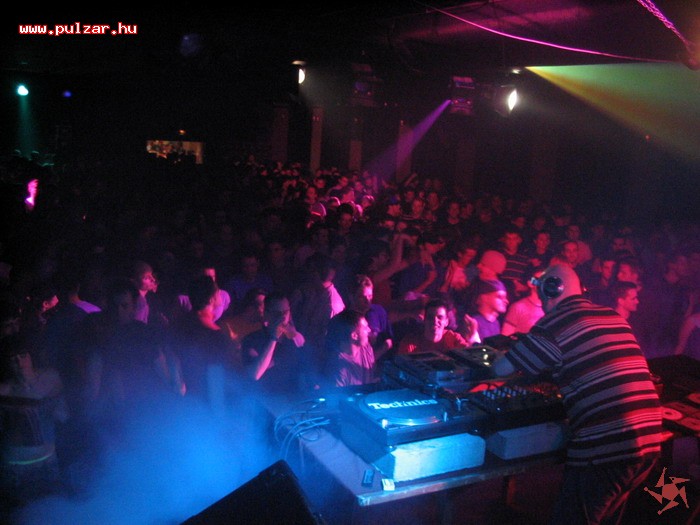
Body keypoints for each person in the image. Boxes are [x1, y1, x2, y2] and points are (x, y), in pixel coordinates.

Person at [492, 264, 663, 525]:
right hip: (649, 438)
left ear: (551, 289)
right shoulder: (612, 315)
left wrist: (493, 355)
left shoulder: (554, 323)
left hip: (607, 446)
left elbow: (501, 369)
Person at [240, 292, 306, 394]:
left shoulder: (296, 338)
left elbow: (303, 370)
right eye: (277, 313)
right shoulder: (251, 340)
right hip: (264, 399)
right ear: (266, 314)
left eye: (286, 312)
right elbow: (255, 374)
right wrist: (273, 338)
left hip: (292, 398)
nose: (283, 317)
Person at [322, 308, 377, 388]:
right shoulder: (338, 368)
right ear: (354, 336)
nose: (369, 330)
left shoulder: (366, 349)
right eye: (365, 327)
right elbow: (339, 395)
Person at [397, 297, 469, 354]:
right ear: (424, 320)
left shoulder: (454, 339)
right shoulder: (409, 342)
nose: (435, 321)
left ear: (446, 322)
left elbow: (469, 356)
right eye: (430, 317)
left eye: (440, 317)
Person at [500, 269, 544, 336]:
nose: (543, 283)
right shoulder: (518, 307)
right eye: (541, 280)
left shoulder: (551, 309)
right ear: (531, 283)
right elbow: (506, 335)